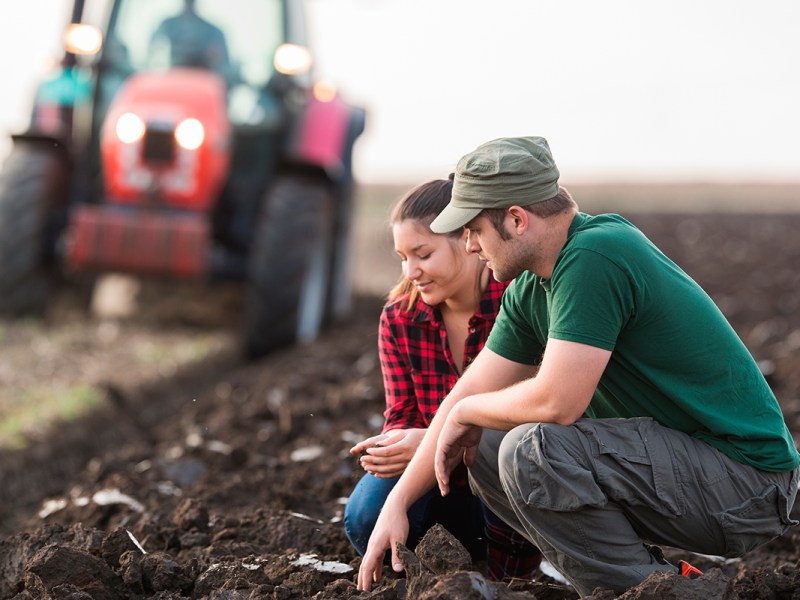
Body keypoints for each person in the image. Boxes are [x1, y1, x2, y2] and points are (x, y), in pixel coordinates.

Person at [357, 136, 800, 596]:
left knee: (531, 449)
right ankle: (654, 583)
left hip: (746, 484)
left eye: (474, 230)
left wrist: (467, 413)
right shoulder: (530, 287)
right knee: (487, 445)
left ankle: (657, 592)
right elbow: (466, 394)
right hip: (686, 471)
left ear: (516, 220)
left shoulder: (595, 256)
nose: (469, 246)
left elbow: (557, 403)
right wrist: (398, 504)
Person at [344, 178, 542, 582]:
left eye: (423, 254)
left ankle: (509, 580)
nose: (410, 271)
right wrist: (398, 443)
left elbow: (535, 414)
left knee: (504, 454)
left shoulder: (518, 301)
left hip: (510, 484)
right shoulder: (400, 316)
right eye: (403, 257)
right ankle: (427, 577)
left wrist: (435, 440)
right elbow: (401, 413)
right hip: (437, 483)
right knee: (366, 512)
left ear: (468, 239)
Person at [150, 0, 232, 75]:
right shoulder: (166, 27)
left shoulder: (214, 32)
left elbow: (225, 69)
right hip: (169, 78)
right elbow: (154, 57)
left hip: (203, 79)